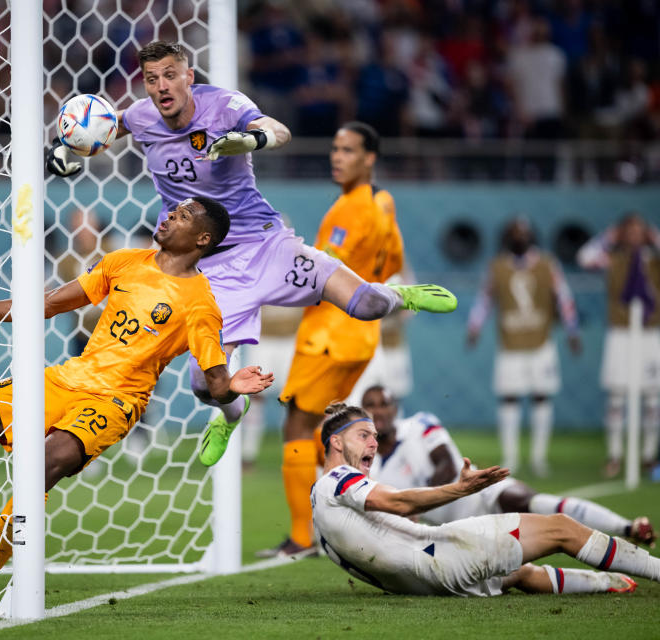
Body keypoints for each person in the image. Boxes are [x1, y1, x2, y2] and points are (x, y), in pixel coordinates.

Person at [46, 41, 457, 468]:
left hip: (265, 245)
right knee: (208, 387)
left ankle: (403, 295)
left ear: (189, 76)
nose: (162, 86)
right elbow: (97, 130)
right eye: (152, 79)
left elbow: (279, 130)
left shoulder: (223, 105)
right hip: (206, 269)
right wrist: (62, 148)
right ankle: (229, 416)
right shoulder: (142, 116)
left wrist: (250, 139)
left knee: (368, 303)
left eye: (171, 74)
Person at [0, 197, 275, 610]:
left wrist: (234, 385)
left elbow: (216, 382)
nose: (169, 217)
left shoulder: (201, 304)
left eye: (182, 216)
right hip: (66, 379)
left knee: (41, 464)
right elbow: (51, 303)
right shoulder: (123, 261)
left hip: (117, 402)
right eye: (172, 210)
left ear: (202, 239)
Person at [312, 402, 660, 597]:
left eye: (374, 435)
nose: (373, 442)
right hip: (441, 557)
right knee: (560, 529)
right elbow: (400, 502)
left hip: (424, 586)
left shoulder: (321, 512)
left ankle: (607, 584)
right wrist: (462, 489)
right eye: (363, 435)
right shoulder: (339, 479)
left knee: (520, 574)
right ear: (337, 443)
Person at [260, 121, 404, 558]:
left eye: (349, 150)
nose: (338, 157)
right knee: (330, 429)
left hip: (327, 336)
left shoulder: (347, 210)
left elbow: (326, 275)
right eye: (335, 149)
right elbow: (393, 259)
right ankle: (343, 523)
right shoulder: (384, 201)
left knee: (298, 427)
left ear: (369, 157)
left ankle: (304, 538)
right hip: (362, 336)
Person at [361, 384, 656, 546]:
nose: (378, 411)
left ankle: (627, 527)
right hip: (455, 530)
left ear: (395, 408)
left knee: (528, 502)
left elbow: (446, 464)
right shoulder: (369, 464)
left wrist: (415, 502)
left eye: (383, 403)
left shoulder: (420, 423)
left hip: (479, 492)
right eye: (370, 405)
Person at [466, 217, 581, 476]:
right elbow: (485, 298)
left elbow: (563, 296)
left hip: (541, 340)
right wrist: (474, 327)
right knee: (509, 397)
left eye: (523, 232)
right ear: (506, 237)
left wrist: (572, 330)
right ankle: (511, 457)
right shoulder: (496, 267)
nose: (519, 237)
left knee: (542, 395)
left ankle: (539, 457)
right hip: (510, 342)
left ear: (531, 236)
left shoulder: (547, 264)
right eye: (514, 233)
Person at [577, 213, 660, 477]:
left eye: (639, 230)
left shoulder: (654, 259)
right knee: (617, 397)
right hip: (621, 334)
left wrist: (653, 237)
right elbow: (584, 258)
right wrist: (610, 236)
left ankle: (648, 455)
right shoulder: (613, 259)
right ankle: (615, 454)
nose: (634, 235)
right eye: (629, 230)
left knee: (652, 398)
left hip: (649, 334)